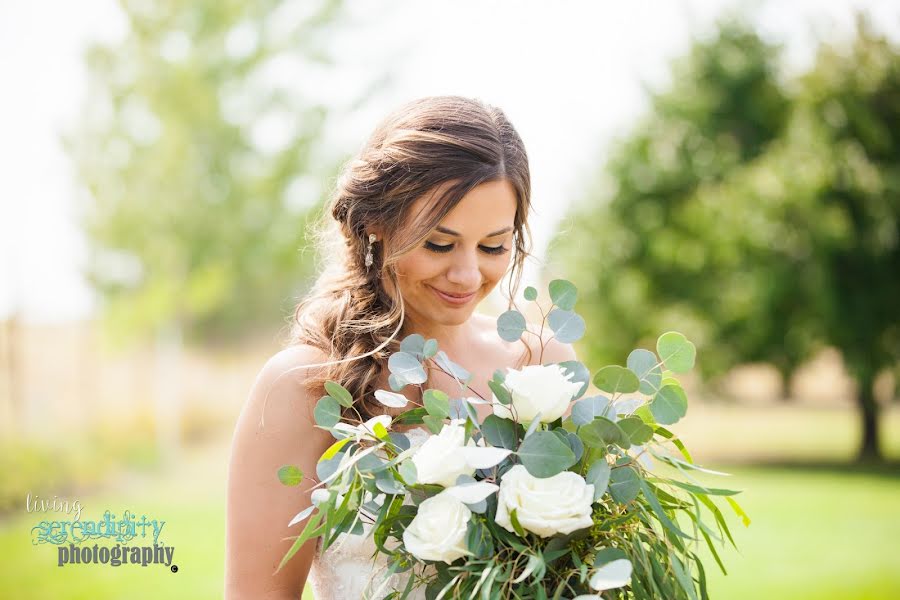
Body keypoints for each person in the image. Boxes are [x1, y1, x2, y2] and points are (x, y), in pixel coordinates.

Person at [224, 95, 576, 599]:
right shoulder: (302, 387)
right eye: (438, 243)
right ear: (376, 224)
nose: (467, 274)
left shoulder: (544, 365)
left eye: (494, 246)